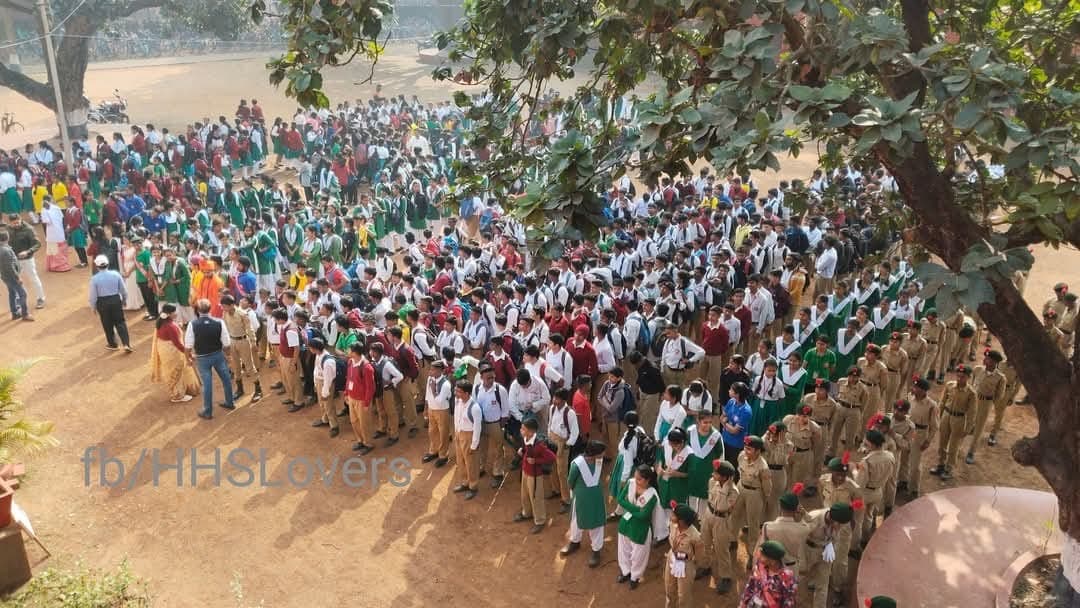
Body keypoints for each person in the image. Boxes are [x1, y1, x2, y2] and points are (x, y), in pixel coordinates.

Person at [184, 298, 236, 420]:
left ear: (197, 310)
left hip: (202, 358)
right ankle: (230, 402)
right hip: (218, 355)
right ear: (210, 309)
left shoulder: (193, 324)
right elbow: (227, 343)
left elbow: (188, 346)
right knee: (226, 379)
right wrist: (228, 356)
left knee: (207, 384)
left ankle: (208, 411)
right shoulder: (219, 322)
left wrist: (188, 359)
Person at [561, 440, 607, 567]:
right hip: (580, 497)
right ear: (594, 454)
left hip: (596, 497)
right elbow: (570, 481)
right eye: (601, 453)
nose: (603, 455)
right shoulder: (577, 464)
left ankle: (596, 550)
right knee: (576, 520)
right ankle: (575, 542)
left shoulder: (598, 461)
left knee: (596, 523)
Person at [697, 459, 739, 594]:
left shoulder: (733, 491)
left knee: (721, 548)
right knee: (704, 542)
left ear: (725, 477)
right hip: (708, 514)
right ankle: (705, 565)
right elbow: (710, 499)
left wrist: (726, 486)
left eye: (716, 473)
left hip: (722, 520)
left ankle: (726, 577)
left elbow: (723, 506)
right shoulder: (712, 482)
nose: (713, 475)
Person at [802, 502, 856, 608]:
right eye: (840, 524)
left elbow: (836, 537)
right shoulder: (813, 518)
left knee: (822, 585)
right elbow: (800, 539)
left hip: (825, 551)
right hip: (809, 550)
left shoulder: (839, 520)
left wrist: (831, 547)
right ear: (831, 518)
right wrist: (802, 559)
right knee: (801, 575)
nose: (840, 527)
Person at [616, 464, 659, 590]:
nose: (636, 480)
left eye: (639, 479)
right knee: (623, 550)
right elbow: (619, 499)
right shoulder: (631, 483)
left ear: (647, 480)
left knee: (638, 555)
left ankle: (635, 576)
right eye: (635, 477)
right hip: (626, 523)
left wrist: (630, 507)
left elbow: (644, 516)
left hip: (641, 529)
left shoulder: (652, 495)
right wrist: (637, 509)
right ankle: (625, 572)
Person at [930, 364, 976, 480]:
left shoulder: (971, 393)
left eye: (963, 377)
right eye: (958, 376)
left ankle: (949, 469)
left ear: (968, 377)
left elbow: (972, 413)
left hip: (959, 419)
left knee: (953, 446)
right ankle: (940, 464)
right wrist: (938, 417)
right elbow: (942, 402)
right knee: (942, 443)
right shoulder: (950, 385)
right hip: (946, 415)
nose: (960, 379)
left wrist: (968, 428)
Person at [149, 303, 200, 402]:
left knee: (172, 372)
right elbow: (178, 344)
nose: (176, 313)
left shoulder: (161, 322)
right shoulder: (170, 326)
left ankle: (177, 392)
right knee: (177, 371)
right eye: (174, 312)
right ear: (169, 314)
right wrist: (189, 354)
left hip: (164, 350)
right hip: (172, 352)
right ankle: (177, 396)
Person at [514, 417, 556, 533]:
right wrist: (522, 453)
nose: (521, 430)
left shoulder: (539, 445)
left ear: (531, 432)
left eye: (523, 429)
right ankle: (526, 513)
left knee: (535, 497)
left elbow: (551, 457)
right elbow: (527, 453)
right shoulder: (526, 440)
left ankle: (540, 520)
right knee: (525, 494)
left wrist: (536, 461)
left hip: (535, 475)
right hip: (526, 471)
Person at [88, 254, 132, 352]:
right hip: (115, 300)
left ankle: (113, 344)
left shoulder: (94, 279)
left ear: (97, 266)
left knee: (107, 323)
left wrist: (93, 307)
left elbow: (93, 296)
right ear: (107, 264)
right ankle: (126, 344)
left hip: (102, 303)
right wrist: (124, 300)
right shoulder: (116, 274)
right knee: (120, 322)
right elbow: (123, 290)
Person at [664, 502, 703, 608]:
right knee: (669, 589)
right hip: (672, 558)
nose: (672, 516)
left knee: (683, 595)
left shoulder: (695, 536)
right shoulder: (673, 525)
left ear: (682, 521)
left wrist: (691, 565)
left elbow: (699, 555)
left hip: (686, 565)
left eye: (674, 515)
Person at [740, 540, 797, 608]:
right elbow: (750, 586)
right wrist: (743, 604)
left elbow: (788, 602)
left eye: (762, 556)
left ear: (772, 562)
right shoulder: (760, 566)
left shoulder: (787, 577)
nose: (758, 557)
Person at [452, 381, 484, 500]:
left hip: (469, 437)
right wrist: (456, 432)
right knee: (461, 461)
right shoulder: (458, 402)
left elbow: (477, 428)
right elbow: (456, 417)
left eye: (459, 391)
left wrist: (474, 445)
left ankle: (473, 486)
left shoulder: (475, 408)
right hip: (459, 435)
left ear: (466, 393)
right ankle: (465, 482)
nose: (456, 393)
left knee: (471, 463)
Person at [7, 213, 45, 308]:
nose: (16, 225)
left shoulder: (29, 229)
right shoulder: (8, 229)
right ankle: (18, 300)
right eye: (13, 223)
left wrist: (28, 251)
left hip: (27, 259)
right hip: (14, 260)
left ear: (20, 219)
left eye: (17, 222)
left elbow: (37, 244)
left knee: (33, 278)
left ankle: (40, 298)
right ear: (10, 223)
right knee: (15, 280)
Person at [422, 360, 453, 466]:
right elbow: (427, 394)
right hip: (431, 409)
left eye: (433, 370)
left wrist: (434, 390)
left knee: (443, 433)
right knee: (432, 431)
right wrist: (426, 407)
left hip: (442, 411)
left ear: (440, 371)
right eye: (430, 369)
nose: (430, 371)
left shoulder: (446, 384)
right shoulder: (430, 379)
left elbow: (440, 401)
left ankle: (443, 455)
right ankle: (433, 451)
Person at [309, 337, 340, 437]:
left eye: (310, 347)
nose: (310, 349)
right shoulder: (318, 355)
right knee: (322, 403)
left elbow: (328, 380)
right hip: (319, 382)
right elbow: (316, 370)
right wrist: (315, 383)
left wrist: (325, 392)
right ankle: (325, 419)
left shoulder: (328, 362)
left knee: (328, 405)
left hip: (326, 384)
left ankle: (334, 426)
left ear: (315, 348)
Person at [0, 230, 32, 321]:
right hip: (11, 277)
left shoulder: (3, 249)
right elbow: (10, 267)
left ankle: (15, 313)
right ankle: (25, 314)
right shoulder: (5, 250)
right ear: (7, 238)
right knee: (23, 294)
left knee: (12, 293)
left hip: (4, 276)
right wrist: (18, 277)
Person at [41, 199, 71, 272]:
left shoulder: (44, 210)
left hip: (52, 234)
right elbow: (62, 218)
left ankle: (56, 266)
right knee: (62, 249)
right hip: (60, 232)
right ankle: (64, 265)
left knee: (53, 250)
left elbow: (46, 221)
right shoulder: (57, 208)